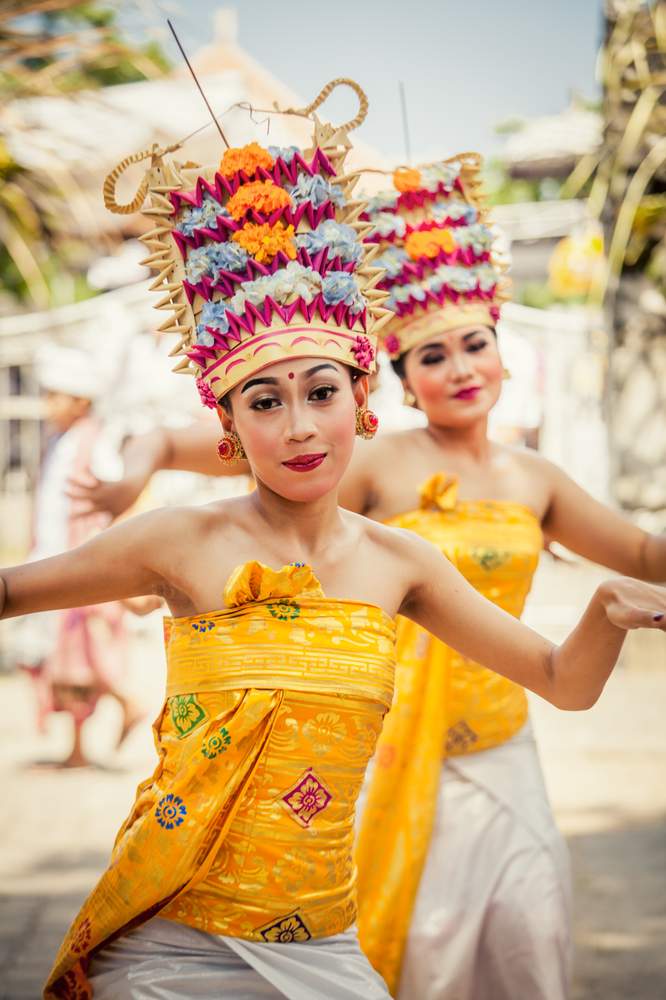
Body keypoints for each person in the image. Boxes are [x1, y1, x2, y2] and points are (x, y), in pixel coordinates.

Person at [71, 152, 666, 1000]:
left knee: (530, 942)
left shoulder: (507, 495)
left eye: (476, 344)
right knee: (423, 949)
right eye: (434, 353)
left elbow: (621, 589)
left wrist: (610, 607)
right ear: (399, 380)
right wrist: (139, 473)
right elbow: (205, 455)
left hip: (488, 755)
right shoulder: (324, 479)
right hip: (339, 783)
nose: (460, 367)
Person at [13, 344, 141, 767]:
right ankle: (79, 747)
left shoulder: (96, 442)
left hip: (83, 567)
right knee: (68, 659)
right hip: (53, 559)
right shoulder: (60, 443)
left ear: (81, 401)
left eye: (56, 396)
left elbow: (115, 497)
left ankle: (129, 703)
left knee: (87, 657)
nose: (48, 405)